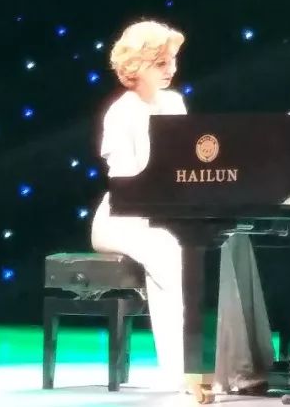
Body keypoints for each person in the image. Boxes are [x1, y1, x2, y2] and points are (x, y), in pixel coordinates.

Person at [90, 20, 273, 393]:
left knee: (232, 239)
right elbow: (124, 180)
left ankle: (241, 367)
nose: (171, 69)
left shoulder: (174, 102)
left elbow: (187, 164)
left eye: (172, 60)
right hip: (126, 216)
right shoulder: (121, 113)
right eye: (162, 62)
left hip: (173, 209)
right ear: (138, 65)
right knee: (174, 249)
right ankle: (190, 369)